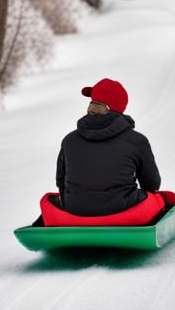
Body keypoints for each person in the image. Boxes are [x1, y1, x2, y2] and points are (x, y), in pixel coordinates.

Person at [55, 77, 161, 217]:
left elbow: (60, 182)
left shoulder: (69, 140)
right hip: (123, 209)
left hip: (75, 210)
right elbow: (152, 185)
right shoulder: (137, 141)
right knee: (158, 200)